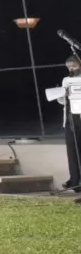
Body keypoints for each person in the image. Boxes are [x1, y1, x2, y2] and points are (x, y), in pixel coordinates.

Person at [59, 56, 81, 192]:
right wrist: (61, 94)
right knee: (72, 150)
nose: (71, 69)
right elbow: (62, 101)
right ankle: (74, 180)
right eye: (69, 67)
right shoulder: (66, 80)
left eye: (74, 66)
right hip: (70, 117)